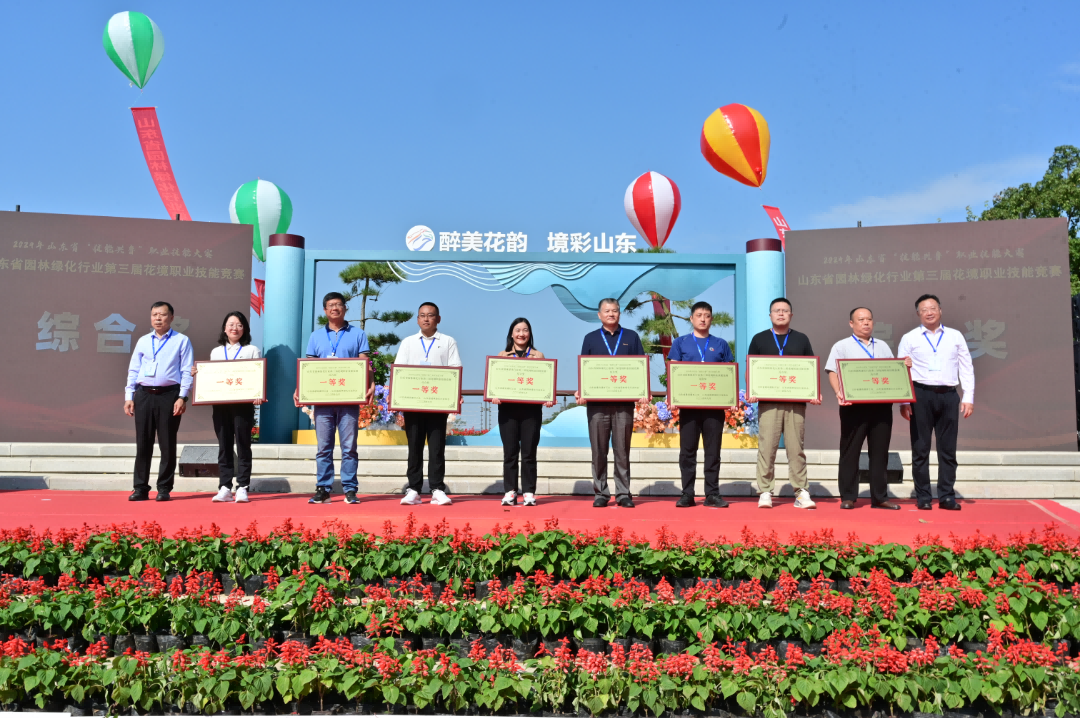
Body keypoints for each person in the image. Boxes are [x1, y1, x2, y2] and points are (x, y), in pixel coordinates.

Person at [293, 292, 374, 505]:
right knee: (323, 447)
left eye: (338, 304)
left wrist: (371, 383)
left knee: (349, 447)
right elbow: (309, 368)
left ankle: (350, 489)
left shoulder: (358, 334)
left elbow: (365, 362)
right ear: (325, 310)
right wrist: (300, 388)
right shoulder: (316, 336)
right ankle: (323, 488)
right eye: (330, 305)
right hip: (323, 402)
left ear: (345, 308)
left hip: (349, 401)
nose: (335, 308)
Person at [824, 307, 908, 510]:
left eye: (869, 319)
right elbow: (832, 371)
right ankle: (848, 496)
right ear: (851, 323)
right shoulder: (841, 346)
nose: (866, 323)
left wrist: (903, 366)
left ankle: (880, 497)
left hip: (881, 407)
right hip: (853, 406)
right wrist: (838, 392)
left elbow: (892, 372)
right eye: (861, 320)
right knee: (850, 451)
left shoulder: (882, 346)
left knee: (880, 452)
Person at [897, 294, 974, 511]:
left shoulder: (955, 336)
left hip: (949, 395)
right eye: (924, 309)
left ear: (940, 310)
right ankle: (923, 496)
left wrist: (968, 397)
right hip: (920, 395)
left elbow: (966, 366)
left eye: (933, 308)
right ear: (918, 314)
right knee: (920, 448)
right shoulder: (909, 338)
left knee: (947, 449)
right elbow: (900, 370)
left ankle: (947, 496)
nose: (929, 312)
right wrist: (903, 402)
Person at [746, 298, 822, 509]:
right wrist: (751, 391)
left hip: (795, 403)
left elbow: (810, 368)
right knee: (767, 448)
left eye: (785, 310)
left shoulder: (801, 339)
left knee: (796, 448)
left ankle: (801, 492)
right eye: (776, 310)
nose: (781, 313)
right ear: (770, 315)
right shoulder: (759, 338)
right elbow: (751, 367)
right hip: (768, 403)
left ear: (791, 315)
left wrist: (814, 392)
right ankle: (765, 491)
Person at [575, 298, 646, 509]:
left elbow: (640, 368)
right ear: (599, 315)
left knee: (622, 450)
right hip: (597, 405)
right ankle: (601, 493)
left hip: (624, 405)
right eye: (606, 311)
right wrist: (582, 390)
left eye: (614, 310)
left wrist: (643, 391)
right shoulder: (590, 338)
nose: (611, 314)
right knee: (598, 450)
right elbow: (585, 369)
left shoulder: (631, 337)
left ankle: (623, 493)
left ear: (619, 313)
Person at [190, 312, 264, 504]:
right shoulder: (216, 352)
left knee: (243, 445)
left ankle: (243, 487)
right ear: (224, 328)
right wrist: (199, 374)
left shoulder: (252, 350)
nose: (234, 328)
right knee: (224, 445)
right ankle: (224, 487)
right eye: (231, 324)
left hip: (243, 405)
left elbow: (257, 375)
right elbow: (212, 377)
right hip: (221, 405)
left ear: (244, 329)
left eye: (239, 325)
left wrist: (258, 392)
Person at [666, 301, 734, 508]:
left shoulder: (721, 344)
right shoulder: (680, 343)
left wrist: (731, 399)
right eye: (699, 315)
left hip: (714, 408)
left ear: (711, 319)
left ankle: (712, 494)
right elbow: (673, 372)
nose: (703, 319)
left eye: (707, 315)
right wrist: (672, 397)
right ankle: (687, 494)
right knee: (687, 452)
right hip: (689, 408)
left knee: (713, 452)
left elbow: (728, 373)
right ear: (691, 318)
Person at [124, 301, 193, 502]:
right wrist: (129, 396)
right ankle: (140, 488)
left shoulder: (181, 340)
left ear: (171, 317)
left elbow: (186, 371)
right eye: (154, 314)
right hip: (144, 395)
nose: (158, 318)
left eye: (162, 315)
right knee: (143, 443)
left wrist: (182, 397)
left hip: (169, 395)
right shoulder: (143, 341)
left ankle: (164, 488)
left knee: (167, 443)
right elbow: (134, 370)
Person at [395, 302, 462, 506]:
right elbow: (399, 370)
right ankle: (414, 489)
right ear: (417, 319)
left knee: (436, 448)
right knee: (414, 447)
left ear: (438, 319)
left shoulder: (448, 341)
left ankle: (437, 489)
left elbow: (455, 369)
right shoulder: (408, 342)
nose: (426, 319)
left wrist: (455, 395)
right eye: (422, 315)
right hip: (413, 404)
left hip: (437, 404)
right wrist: (398, 404)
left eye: (430, 315)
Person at [492, 318, 554, 507]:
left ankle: (528, 492)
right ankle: (510, 492)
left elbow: (544, 382)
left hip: (531, 412)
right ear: (511, 334)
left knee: (529, 453)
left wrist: (548, 396)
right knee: (510, 453)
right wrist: (494, 394)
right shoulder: (502, 356)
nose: (521, 334)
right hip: (508, 411)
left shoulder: (538, 355)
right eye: (517, 330)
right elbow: (496, 382)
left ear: (530, 334)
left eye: (525, 330)